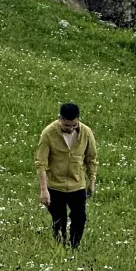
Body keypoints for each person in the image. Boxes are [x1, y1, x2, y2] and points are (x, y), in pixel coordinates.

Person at [35, 102, 98, 248]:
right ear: (59, 119)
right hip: (55, 186)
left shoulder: (86, 133)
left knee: (80, 219)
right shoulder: (48, 133)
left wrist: (92, 181)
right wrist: (44, 190)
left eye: (73, 125)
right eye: (66, 126)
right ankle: (60, 247)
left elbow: (91, 158)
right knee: (59, 221)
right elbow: (41, 163)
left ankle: (73, 248)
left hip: (77, 185)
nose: (70, 129)